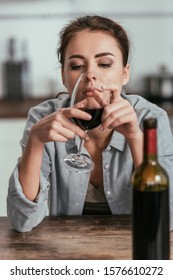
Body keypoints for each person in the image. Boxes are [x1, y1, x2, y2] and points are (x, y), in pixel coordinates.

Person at [7, 15, 173, 232]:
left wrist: (135, 138)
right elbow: (22, 221)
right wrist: (36, 142)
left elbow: (166, 220)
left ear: (125, 74)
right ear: (64, 77)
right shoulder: (43, 119)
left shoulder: (151, 119)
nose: (90, 75)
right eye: (77, 66)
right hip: (68, 251)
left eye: (104, 64)